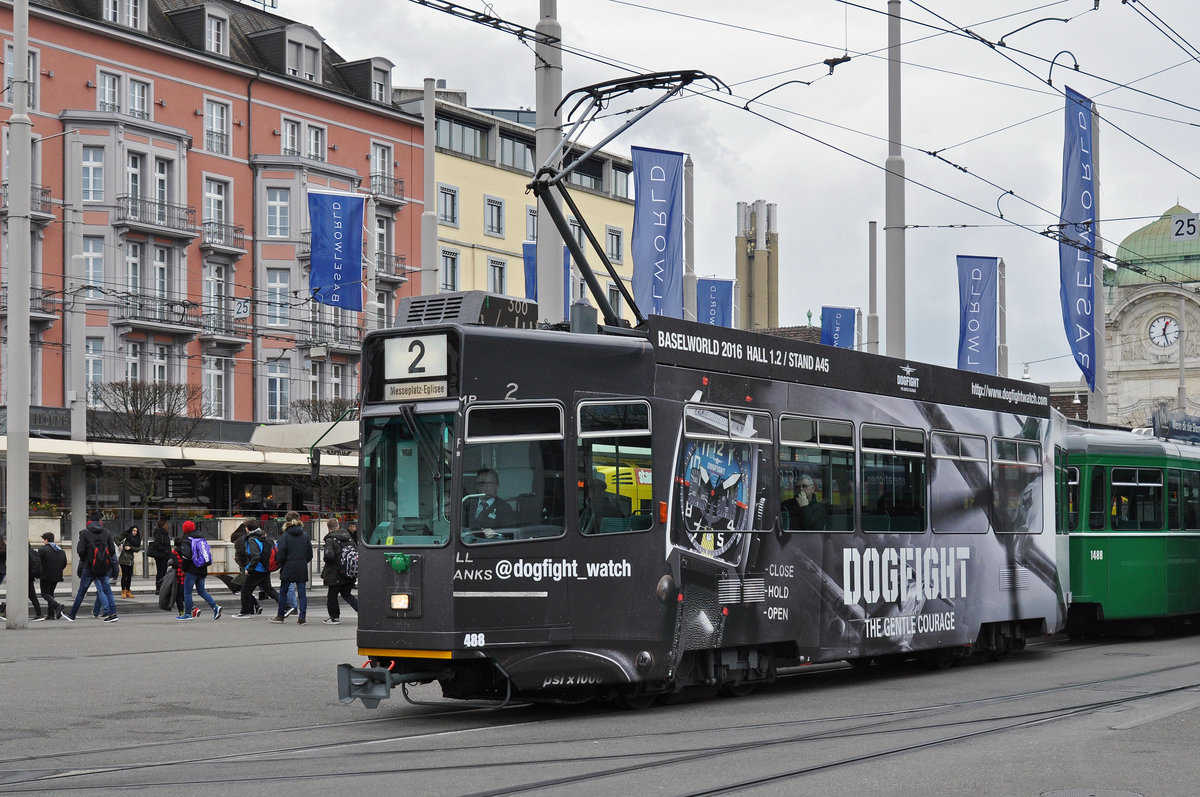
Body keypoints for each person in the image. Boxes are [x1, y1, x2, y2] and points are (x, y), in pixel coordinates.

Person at [64, 515, 119, 623]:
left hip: (89, 567)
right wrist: (104, 560)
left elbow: (80, 550)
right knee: (107, 590)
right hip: (103, 567)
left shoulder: (84, 533)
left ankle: (72, 614)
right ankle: (113, 614)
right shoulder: (106, 532)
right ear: (99, 521)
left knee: (82, 591)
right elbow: (112, 550)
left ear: (89, 522)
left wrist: (87, 560)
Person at [269, 511, 312, 625]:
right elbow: (310, 555)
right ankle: (302, 617)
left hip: (288, 566)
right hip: (301, 567)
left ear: (286, 521)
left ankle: (280, 615)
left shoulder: (285, 536)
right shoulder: (305, 536)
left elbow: (281, 554)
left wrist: (282, 564)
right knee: (302, 594)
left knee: (283, 591)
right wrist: (302, 561)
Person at [177, 520, 222, 621]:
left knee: (187, 592)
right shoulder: (201, 538)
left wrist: (184, 568)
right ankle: (215, 607)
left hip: (192, 570)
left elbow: (186, 557)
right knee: (201, 591)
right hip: (202, 568)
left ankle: (188, 614)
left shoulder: (186, 540)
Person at [235, 518, 280, 618]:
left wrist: (249, 569)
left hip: (257, 569)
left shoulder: (252, 539)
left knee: (245, 590)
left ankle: (245, 611)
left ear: (247, 528)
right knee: (269, 589)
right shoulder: (261, 536)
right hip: (265, 567)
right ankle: (286, 605)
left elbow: (255, 555)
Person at [321, 519, 358, 625]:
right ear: (338, 526)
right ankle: (362, 610)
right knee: (346, 594)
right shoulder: (348, 537)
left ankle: (334, 617)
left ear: (328, 528)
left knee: (332, 596)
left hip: (335, 573)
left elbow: (329, 556)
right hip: (349, 571)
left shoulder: (330, 540)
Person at [34, 532, 67, 621]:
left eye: (44, 540)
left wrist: (37, 573)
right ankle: (51, 614)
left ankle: (57, 606)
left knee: (45, 593)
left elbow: (38, 562)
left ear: (46, 540)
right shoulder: (61, 550)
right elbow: (64, 563)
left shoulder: (43, 550)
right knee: (51, 594)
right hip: (57, 575)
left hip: (46, 575)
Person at [115, 525, 142, 599]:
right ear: (131, 530)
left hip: (131, 559)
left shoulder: (137, 539)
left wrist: (130, 548)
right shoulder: (126, 535)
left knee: (129, 576)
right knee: (124, 575)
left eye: (136, 531)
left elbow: (138, 549)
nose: (135, 532)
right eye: (133, 530)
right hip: (123, 558)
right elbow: (116, 538)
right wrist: (119, 545)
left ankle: (128, 591)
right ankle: (123, 591)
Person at [147, 519, 172, 593]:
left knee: (163, 571)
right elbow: (157, 545)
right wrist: (166, 550)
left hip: (164, 555)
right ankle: (159, 587)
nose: (168, 526)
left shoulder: (164, 533)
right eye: (166, 524)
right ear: (163, 525)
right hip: (161, 556)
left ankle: (162, 586)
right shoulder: (159, 534)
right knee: (161, 571)